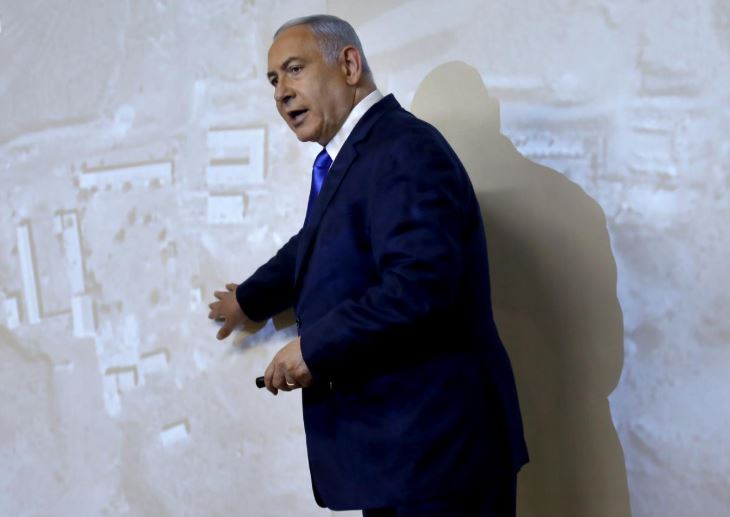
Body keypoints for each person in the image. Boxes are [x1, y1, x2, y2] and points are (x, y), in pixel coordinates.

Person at [207, 14, 528, 516]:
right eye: (273, 80)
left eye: (294, 69)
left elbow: (420, 284)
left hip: (441, 456)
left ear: (350, 65)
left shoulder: (406, 149)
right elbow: (318, 240)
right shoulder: (361, 153)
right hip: (402, 459)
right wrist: (249, 299)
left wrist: (313, 347)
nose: (282, 93)